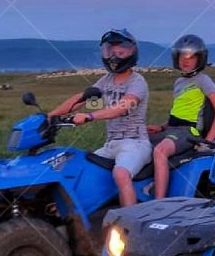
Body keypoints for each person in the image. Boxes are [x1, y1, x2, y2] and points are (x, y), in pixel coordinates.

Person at [48, 28, 150, 208]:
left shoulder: (137, 81)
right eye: (110, 51)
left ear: (132, 52)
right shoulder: (107, 80)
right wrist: (51, 115)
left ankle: (130, 223)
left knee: (121, 173)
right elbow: (82, 99)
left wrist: (89, 116)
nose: (114, 56)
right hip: (111, 144)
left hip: (135, 143)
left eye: (120, 52)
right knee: (82, 168)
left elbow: (121, 107)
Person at [148, 34, 215, 199]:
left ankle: (158, 202)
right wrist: (162, 126)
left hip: (189, 131)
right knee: (139, 141)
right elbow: (179, 112)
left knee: (160, 152)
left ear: (200, 59)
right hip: (173, 129)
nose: (186, 60)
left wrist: (208, 141)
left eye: (191, 57)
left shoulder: (203, 80)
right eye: (183, 56)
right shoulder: (179, 82)